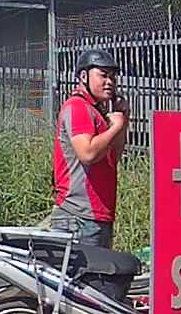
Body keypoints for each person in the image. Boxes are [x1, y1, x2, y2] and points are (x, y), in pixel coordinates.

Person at [49, 49, 129, 249]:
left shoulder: (96, 112)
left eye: (112, 77)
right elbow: (88, 153)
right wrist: (115, 127)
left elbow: (112, 157)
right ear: (84, 76)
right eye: (103, 75)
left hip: (95, 216)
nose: (109, 82)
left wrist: (122, 123)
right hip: (78, 217)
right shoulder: (78, 107)